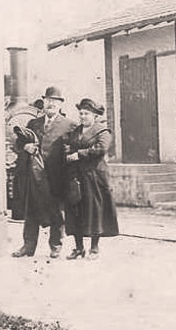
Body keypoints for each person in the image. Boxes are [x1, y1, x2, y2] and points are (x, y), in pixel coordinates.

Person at [12, 86, 76, 258]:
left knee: (56, 212)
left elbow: (74, 149)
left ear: (60, 104)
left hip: (57, 177)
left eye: (55, 101)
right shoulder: (34, 123)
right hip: (35, 177)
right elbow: (18, 143)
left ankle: (56, 246)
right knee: (31, 211)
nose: (51, 104)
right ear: (44, 103)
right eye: (48, 101)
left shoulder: (69, 125)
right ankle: (28, 246)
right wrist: (25, 146)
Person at [61, 98, 119, 259]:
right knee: (75, 211)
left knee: (94, 211)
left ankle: (94, 248)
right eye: (81, 113)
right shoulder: (76, 131)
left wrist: (78, 154)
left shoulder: (103, 132)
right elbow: (68, 145)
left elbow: (100, 149)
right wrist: (67, 152)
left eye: (86, 113)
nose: (82, 116)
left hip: (94, 177)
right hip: (76, 177)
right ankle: (78, 248)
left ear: (94, 115)